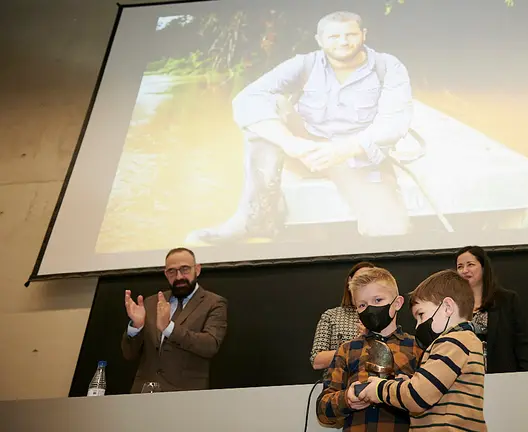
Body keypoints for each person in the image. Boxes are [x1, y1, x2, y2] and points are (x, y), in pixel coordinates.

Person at [188, 10, 413, 244]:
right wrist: (292, 144)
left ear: (363, 35)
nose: (343, 42)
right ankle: (255, 218)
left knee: (391, 232)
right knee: (269, 105)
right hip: (307, 151)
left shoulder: (388, 66)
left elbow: (394, 122)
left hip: (359, 158)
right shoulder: (305, 63)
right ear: (320, 40)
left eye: (350, 34)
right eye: (334, 36)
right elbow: (246, 99)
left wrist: (342, 150)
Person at [358, 269, 486, 431]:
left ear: (447, 307)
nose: (418, 325)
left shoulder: (453, 341)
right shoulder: (464, 341)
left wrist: (379, 389)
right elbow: (431, 389)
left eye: (421, 315)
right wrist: (403, 384)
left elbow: (418, 396)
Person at [316, 267, 423, 431]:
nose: (370, 309)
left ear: (397, 303)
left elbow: (432, 400)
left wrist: (406, 390)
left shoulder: (417, 347)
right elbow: (323, 410)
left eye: (378, 300)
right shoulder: (347, 350)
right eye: (362, 305)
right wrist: (347, 398)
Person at [121, 247, 228, 392]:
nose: (178, 277)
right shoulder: (151, 302)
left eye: (185, 269)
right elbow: (129, 354)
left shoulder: (214, 303)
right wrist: (136, 327)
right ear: (166, 274)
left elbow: (210, 345)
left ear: (197, 269)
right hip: (144, 394)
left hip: (185, 396)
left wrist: (169, 328)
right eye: (172, 271)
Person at [456, 245, 528, 373]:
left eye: (470, 265)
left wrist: (524, 375)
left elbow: (521, 342)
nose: (464, 270)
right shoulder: (453, 304)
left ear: (483, 267)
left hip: (502, 374)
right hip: (465, 378)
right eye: (460, 267)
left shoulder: (507, 300)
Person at [310, 261, 374, 371]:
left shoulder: (382, 314)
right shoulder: (331, 316)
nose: (363, 284)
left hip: (374, 382)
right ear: (350, 282)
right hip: (338, 383)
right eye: (359, 280)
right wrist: (353, 348)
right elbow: (317, 361)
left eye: (369, 280)